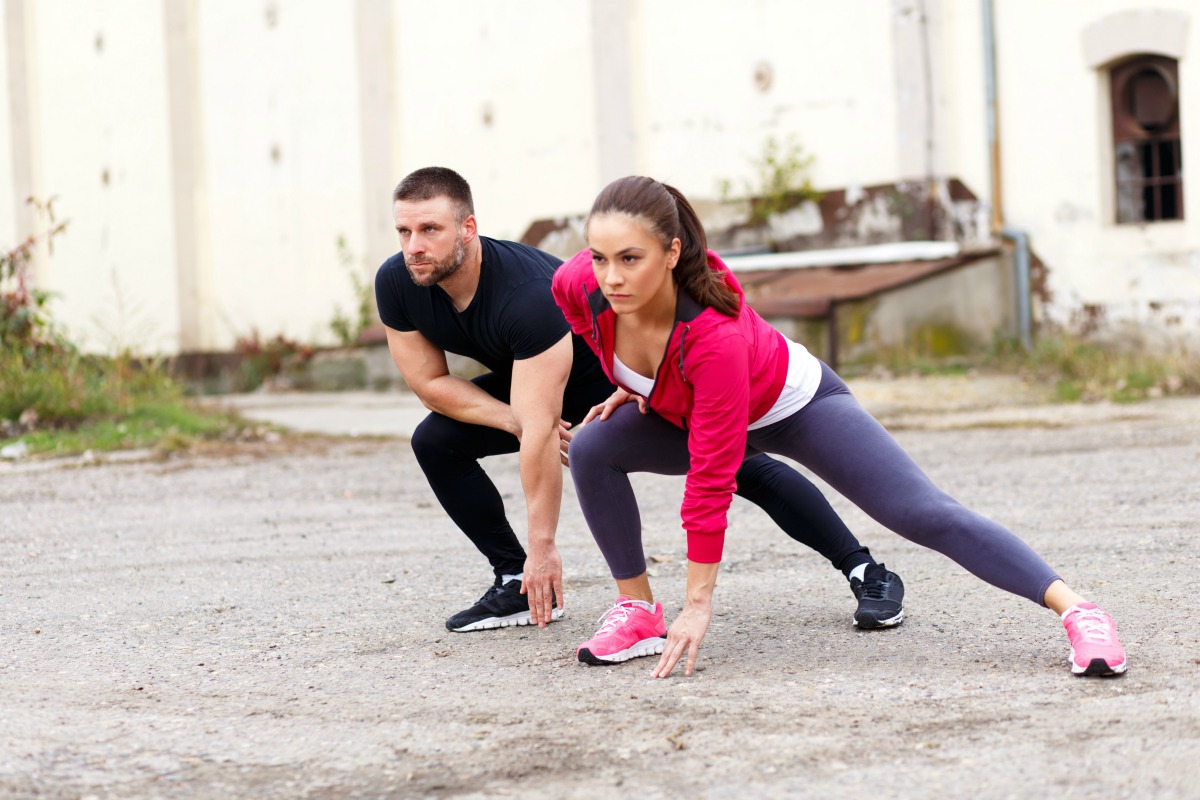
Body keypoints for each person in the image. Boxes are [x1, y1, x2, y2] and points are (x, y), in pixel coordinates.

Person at [552, 175, 1128, 679]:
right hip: (707, 407)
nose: (610, 276)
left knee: (921, 513)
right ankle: (639, 613)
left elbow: (709, 484)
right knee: (595, 443)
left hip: (794, 404)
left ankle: (1080, 612)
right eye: (599, 257)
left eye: (631, 258)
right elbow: (596, 331)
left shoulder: (714, 339)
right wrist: (640, 383)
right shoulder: (578, 286)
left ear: (672, 252)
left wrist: (698, 603)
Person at [375, 166, 906, 636]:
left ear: (468, 228)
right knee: (436, 440)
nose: (414, 245)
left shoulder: (525, 295)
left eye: (430, 230)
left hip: (611, 375)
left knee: (737, 464)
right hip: (533, 385)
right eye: (404, 231)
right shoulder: (399, 281)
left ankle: (864, 570)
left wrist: (547, 543)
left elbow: (539, 433)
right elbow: (430, 385)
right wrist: (516, 419)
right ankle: (515, 580)